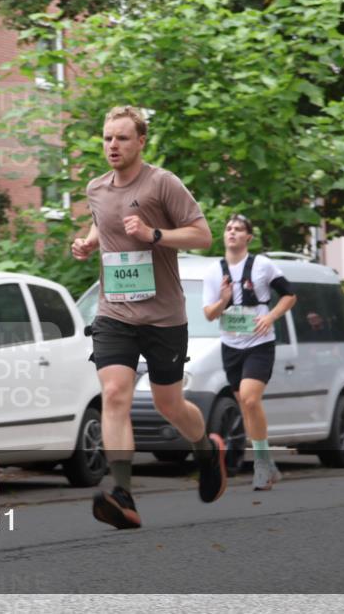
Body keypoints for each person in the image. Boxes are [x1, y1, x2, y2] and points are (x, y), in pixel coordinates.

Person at [71, 105, 225, 531]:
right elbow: (105, 224)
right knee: (115, 393)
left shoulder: (162, 184)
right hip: (114, 312)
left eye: (122, 138)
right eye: (107, 138)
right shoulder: (97, 188)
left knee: (168, 403)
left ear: (141, 141)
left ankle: (206, 450)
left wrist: (155, 235)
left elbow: (202, 233)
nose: (113, 146)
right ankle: (123, 493)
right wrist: (86, 242)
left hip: (163, 315)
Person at [202, 215, 297, 491]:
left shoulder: (263, 265)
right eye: (229, 229)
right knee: (245, 406)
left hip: (259, 343)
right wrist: (223, 300)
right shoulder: (213, 272)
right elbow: (209, 314)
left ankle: (260, 466)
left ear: (248, 238)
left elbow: (289, 295)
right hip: (230, 345)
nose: (232, 233)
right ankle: (267, 463)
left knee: (250, 399)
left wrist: (271, 317)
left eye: (239, 229)